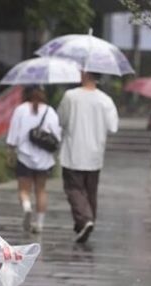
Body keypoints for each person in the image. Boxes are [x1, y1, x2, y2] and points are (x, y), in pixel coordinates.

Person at [57, 72, 118, 243]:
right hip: (95, 153)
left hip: (73, 152)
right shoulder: (106, 100)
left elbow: (61, 119)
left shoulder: (71, 96)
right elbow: (113, 126)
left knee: (74, 189)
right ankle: (85, 222)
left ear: (84, 74)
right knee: (90, 192)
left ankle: (85, 219)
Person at [6, 85, 62, 233]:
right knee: (41, 190)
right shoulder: (50, 111)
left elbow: (13, 135)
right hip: (44, 158)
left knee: (24, 190)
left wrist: (10, 151)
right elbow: (57, 135)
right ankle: (40, 224)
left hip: (24, 156)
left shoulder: (21, 110)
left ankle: (26, 207)